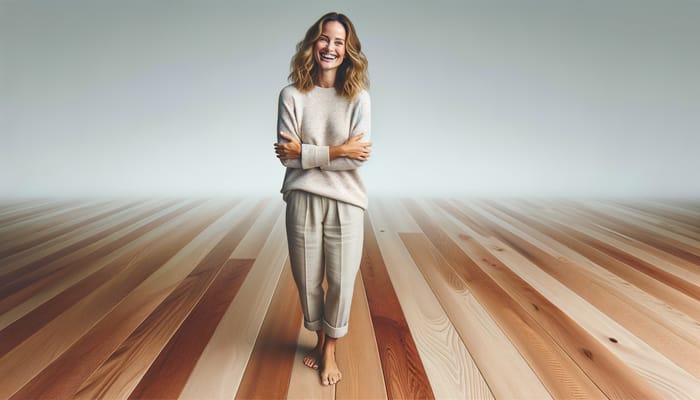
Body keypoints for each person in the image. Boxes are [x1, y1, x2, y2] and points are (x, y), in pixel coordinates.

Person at [273, 11, 372, 386]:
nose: (330, 47)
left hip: (347, 201)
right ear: (312, 43)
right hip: (300, 197)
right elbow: (287, 155)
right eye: (324, 39)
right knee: (307, 280)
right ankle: (318, 340)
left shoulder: (358, 98)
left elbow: (357, 160)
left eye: (338, 42)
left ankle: (331, 348)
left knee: (342, 281)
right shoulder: (291, 95)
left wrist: (309, 154)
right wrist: (338, 150)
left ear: (348, 51)